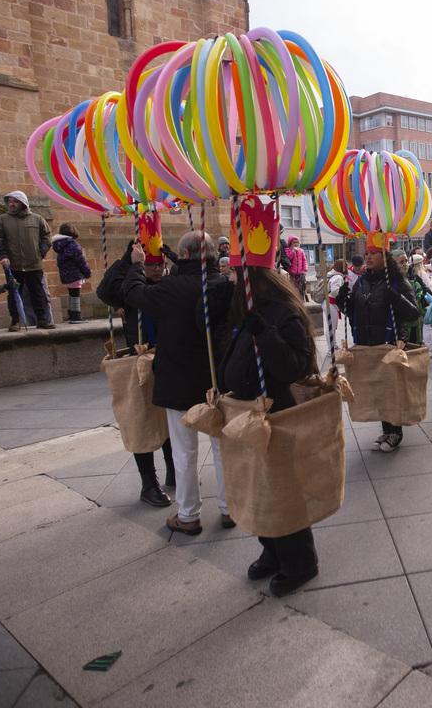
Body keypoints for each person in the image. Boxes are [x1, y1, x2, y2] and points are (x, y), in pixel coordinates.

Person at [219, 246, 319, 597]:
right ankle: (273, 549)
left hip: (275, 414)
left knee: (281, 490)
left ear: (253, 277)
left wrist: (265, 334)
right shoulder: (249, 308)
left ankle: (300, 561)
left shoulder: (284, 312)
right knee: (260, 489)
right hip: (247, 414)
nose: (229, 279)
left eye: (234, 273)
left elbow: (294, 366)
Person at [122, 230, 232, 535]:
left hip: (179, 379)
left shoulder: (172, 287)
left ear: (184, 256)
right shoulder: (221, 283)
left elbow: (132, 294)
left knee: (184, 451)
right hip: (217, 378)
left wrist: (135, 265)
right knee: (223, 448)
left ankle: (188, 515)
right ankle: (228, 509)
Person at [98, 240, 178, 507]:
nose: (156, 269)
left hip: (165, 359)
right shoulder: (133, 288)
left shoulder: (167, 286)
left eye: (160, 264)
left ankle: (174, 469)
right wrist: (130, 262)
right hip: (139, 359)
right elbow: (105, 291)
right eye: (150, 264)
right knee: (140, 419)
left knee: (168, 417)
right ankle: (148, 483)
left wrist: (177, 259)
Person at [336, 236, 421, 452]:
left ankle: (396, 433)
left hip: (390, 345)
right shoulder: (362, 281)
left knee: (392, 390)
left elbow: (414, 313)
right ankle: (386, 430)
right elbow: (353, 313)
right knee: (378, 390)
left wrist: (396, 298)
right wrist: (342, 301)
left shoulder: (397, 281)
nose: (368, 257)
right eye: (367, 254)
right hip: (367, 345)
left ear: (385, 256)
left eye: (373, 253)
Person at [0, 190, 55, 330]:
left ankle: (42, 319)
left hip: (34, 263)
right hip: (13, 264)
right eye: (10, 201)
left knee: (38, 292)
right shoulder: (2, 220)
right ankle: (15, 321)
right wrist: (2, 256)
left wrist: (41, 252)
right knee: (14, 293)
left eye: (15, 201)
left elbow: (47, 237)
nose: (11, 204)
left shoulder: (37, 219)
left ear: (23, 202)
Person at [52, 223, 93, 324]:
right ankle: (75, 315)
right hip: (74, 273)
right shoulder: (72, 244)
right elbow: (80, 260)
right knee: (75, 294)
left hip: (65, 273)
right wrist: (87, 272)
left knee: (71, 293)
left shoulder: (59, 244)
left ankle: (71, 313)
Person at [322, 258, 346, 347]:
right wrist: (342, 296)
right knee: (331, 327)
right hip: (331, 303)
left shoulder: (331, 274)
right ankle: (331, 348)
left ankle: (333, 345)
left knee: (331, 327)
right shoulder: (338, 277)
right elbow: (335, 291)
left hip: (327, 302)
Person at [285, 235, 308, 301]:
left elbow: (304, 261)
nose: (295, 244)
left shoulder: (301, 251)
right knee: (292, 287)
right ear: (290, 243)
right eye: (293, 242)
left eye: (296, 242)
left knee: (301, 287)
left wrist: (305, 270)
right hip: (291, 273)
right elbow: (288, 258)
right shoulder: (288, 250)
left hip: (300, 273)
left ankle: (301, 299)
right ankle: (294, 299)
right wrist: (293, 251)